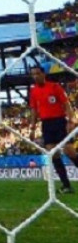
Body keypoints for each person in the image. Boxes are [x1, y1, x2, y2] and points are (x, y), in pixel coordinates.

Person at [28, 65, 78, 194]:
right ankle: (66, 186)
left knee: (70, 152)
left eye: (38, 73)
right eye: (33, 74)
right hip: (47, 124)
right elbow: (34, 110)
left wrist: (71, 120)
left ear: (43, 74)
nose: (35, 76)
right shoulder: (33, 91)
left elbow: (66, 104)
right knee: (53, 154)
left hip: (60, 122)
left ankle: (66, 185)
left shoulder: (55, 87)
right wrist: (33, 128)